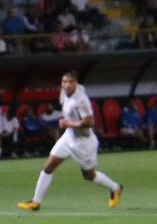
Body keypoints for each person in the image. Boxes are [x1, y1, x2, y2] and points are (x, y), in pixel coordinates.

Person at [18, 72, 123, 211]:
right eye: (64, 82)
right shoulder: (63, 93)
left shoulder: (81, 100)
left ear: (76, 83)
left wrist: (69, 124)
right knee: (48, 167)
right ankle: (35, 202)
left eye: (70, 82)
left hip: (83, 142)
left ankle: (115, 188)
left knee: (89, 175)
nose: (66, 85)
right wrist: (67, 125)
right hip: (68, 137)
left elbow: (90, 122)